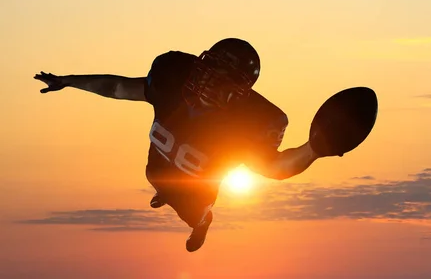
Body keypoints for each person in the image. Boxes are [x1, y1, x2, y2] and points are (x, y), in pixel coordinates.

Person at [34, 38, 327, 252]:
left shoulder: (246, 124)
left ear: (236, 93)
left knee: (191, 212)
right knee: (155, 178)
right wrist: (68, 81)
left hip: (198, 188)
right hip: (159, 166)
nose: (206, 78)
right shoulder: (172, 78)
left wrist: (313, 149)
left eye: (220, 77)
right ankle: (165, 192)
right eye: (209, 67)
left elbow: (274, 167)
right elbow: (117, 87)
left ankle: (203, 221)